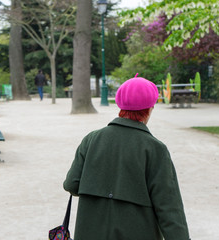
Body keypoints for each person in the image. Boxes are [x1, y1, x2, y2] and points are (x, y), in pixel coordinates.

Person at [64, 74, 191, 240]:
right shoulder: (155, 149)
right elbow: (168, 208)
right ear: (150, 108)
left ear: (120, 105)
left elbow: (71, 184)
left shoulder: (91, 140)